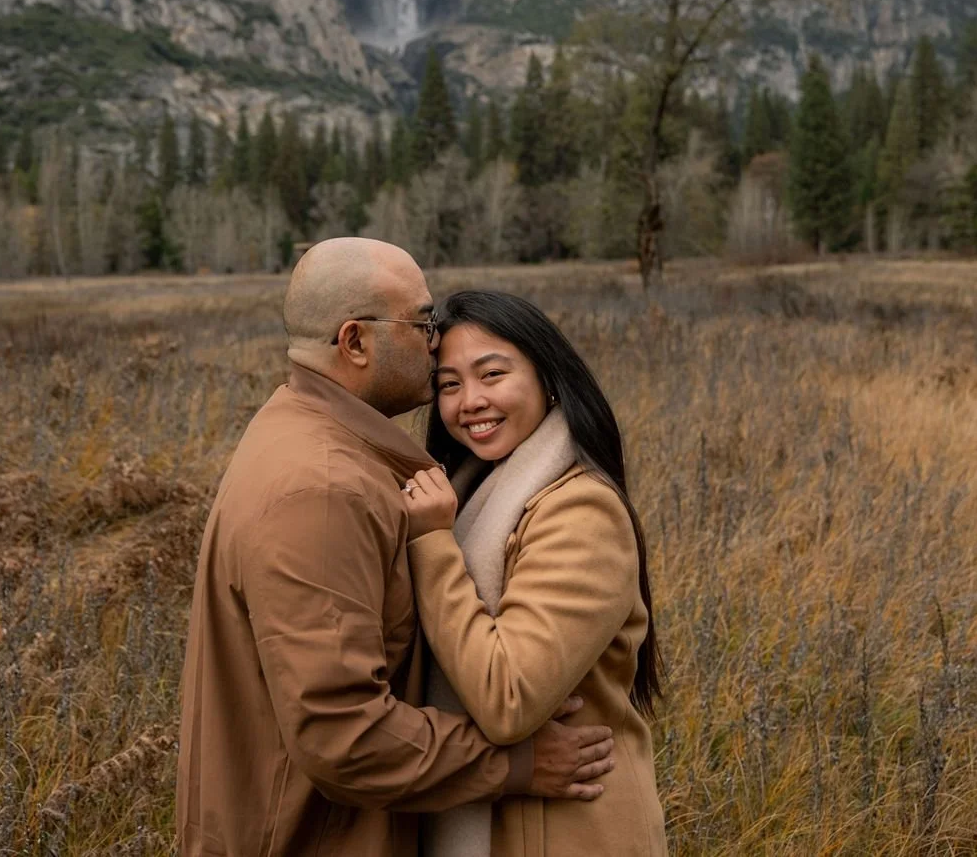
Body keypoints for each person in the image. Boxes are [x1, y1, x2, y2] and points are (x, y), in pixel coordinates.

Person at [176, 239, 617, 857]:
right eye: (421, 322)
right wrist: (515, 765)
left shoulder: (306, 438)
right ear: (354, 341)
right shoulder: (324, 488)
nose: (435, 341)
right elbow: (342, 736)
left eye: (492, 373)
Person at [401, 289, 668, 857]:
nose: (469, 401)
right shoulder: (471, 493)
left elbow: (508, 697)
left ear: (547, 377)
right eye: (448, 384)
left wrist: (430, 544)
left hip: (570, 830)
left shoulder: (580, 511)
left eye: (491, 374)